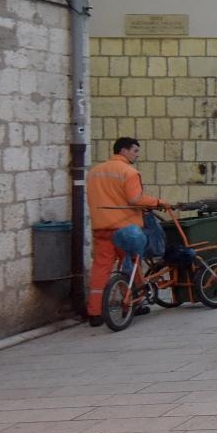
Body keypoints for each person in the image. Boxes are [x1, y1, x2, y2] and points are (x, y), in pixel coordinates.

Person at [85, 137, 163, 325]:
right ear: (123, 151)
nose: (137, 154)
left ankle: (95, 313)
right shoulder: (128, 172)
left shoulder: (94, 172)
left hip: (101, 228)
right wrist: (158, 202)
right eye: (135, 150)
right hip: (125, 229)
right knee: (132, 263)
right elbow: (135, 199)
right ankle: (134, 304)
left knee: (100, 270)